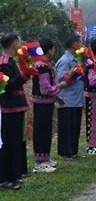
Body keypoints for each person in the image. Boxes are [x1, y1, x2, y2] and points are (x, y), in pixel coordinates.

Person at [0, 33, 30, 190]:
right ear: (13, 45)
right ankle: (5, 179)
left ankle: (14, 176)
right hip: (9, 108)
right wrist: (25, 76)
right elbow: (8, 86)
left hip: (17, 107)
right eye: (19, 41)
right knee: (9, 143)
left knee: (16, 143)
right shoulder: (4, 63)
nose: (21, 43)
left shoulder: (13, 61)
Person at [31, 38, 65, 172]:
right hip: (41, 103)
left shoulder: (45, 64)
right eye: (53, 49)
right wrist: (60, 87)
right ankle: (40, 162)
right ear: (49, 50)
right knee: (41, 131)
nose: (53, 51)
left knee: (46, 130)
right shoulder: (42, 66)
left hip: (47, 102)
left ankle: (45, 157)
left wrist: (56, 97)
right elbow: (45, 88)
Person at [55, 35, 85, 159]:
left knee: (75, 126)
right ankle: (65, 152)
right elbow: (60, 79)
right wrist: (70, 77)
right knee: (66, 127)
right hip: (67, 99)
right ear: (74, 44)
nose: (81, 44)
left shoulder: (76, 59)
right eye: (79, 42)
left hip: (76, 99)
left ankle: (73, 151)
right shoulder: (65, 60)